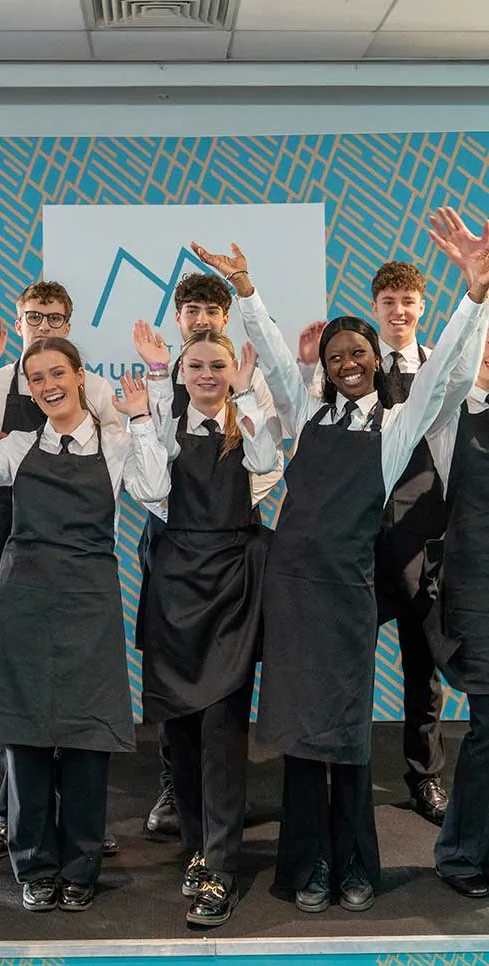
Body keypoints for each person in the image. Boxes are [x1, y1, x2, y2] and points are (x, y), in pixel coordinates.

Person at [191, 213, 489, 915]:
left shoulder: (395, 427)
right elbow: (263, 340)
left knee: (348, 732)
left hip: (348, 593)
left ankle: (355, 864)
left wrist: (475, 297)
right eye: (335, 355)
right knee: (299, 732)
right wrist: (247, 291)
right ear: (323, 366)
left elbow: (446, 371)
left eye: (358, 352)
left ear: (375, 359)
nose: (348, 361)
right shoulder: (307, 414)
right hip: (292, 594)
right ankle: (309, 865)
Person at [0, 335, 169, 912]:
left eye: (56, 374)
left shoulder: (116, 440)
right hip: (22, 597)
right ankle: (35, 866)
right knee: (24, 738)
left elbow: (155, 490)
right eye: (36, 376)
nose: (46, 386)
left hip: (89, 599)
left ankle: (81, 865)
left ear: (78, 376)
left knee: (86, 738)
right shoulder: (20, 444)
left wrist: (142, 418)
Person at [0, 282, 123, 861]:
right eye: (35, 317)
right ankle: (11, 813)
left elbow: (117, 452)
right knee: (16, 680)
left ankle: (85, 820)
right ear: (21, 318)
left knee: (81, 684)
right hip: (14, 531)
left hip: (78, 543)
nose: (44, 325)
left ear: (69, 322)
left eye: (55, 318)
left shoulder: (97, 389)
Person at [135, 323, 280, 926]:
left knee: (222, 730)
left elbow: (270, 464)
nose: (206, 375)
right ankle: (197, 847)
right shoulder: (161, 429)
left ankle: (220, 867)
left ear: (232, 370)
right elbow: (146, 489)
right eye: (194, 365)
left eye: (217, 365)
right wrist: (145, 406)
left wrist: (248, 397)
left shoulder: (249, 426)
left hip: (231, 589)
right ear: (180, 373)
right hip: (173, 590)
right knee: (181, 734)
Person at [297, 260, 450, 825]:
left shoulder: (440, 370)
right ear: (376, 308)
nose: (399, 310)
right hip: (356, 540)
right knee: (343, 661)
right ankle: (340, 764)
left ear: (422, 307)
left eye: (408, 300)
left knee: (422, 667)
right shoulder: (346, 371)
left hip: (419, 540)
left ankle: (425, 776)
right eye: (388, 301)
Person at [423, 215, 489, 897]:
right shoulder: (450, 415)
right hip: (476, 591)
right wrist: (475, 294)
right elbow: (444, 368)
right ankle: (462, 855)